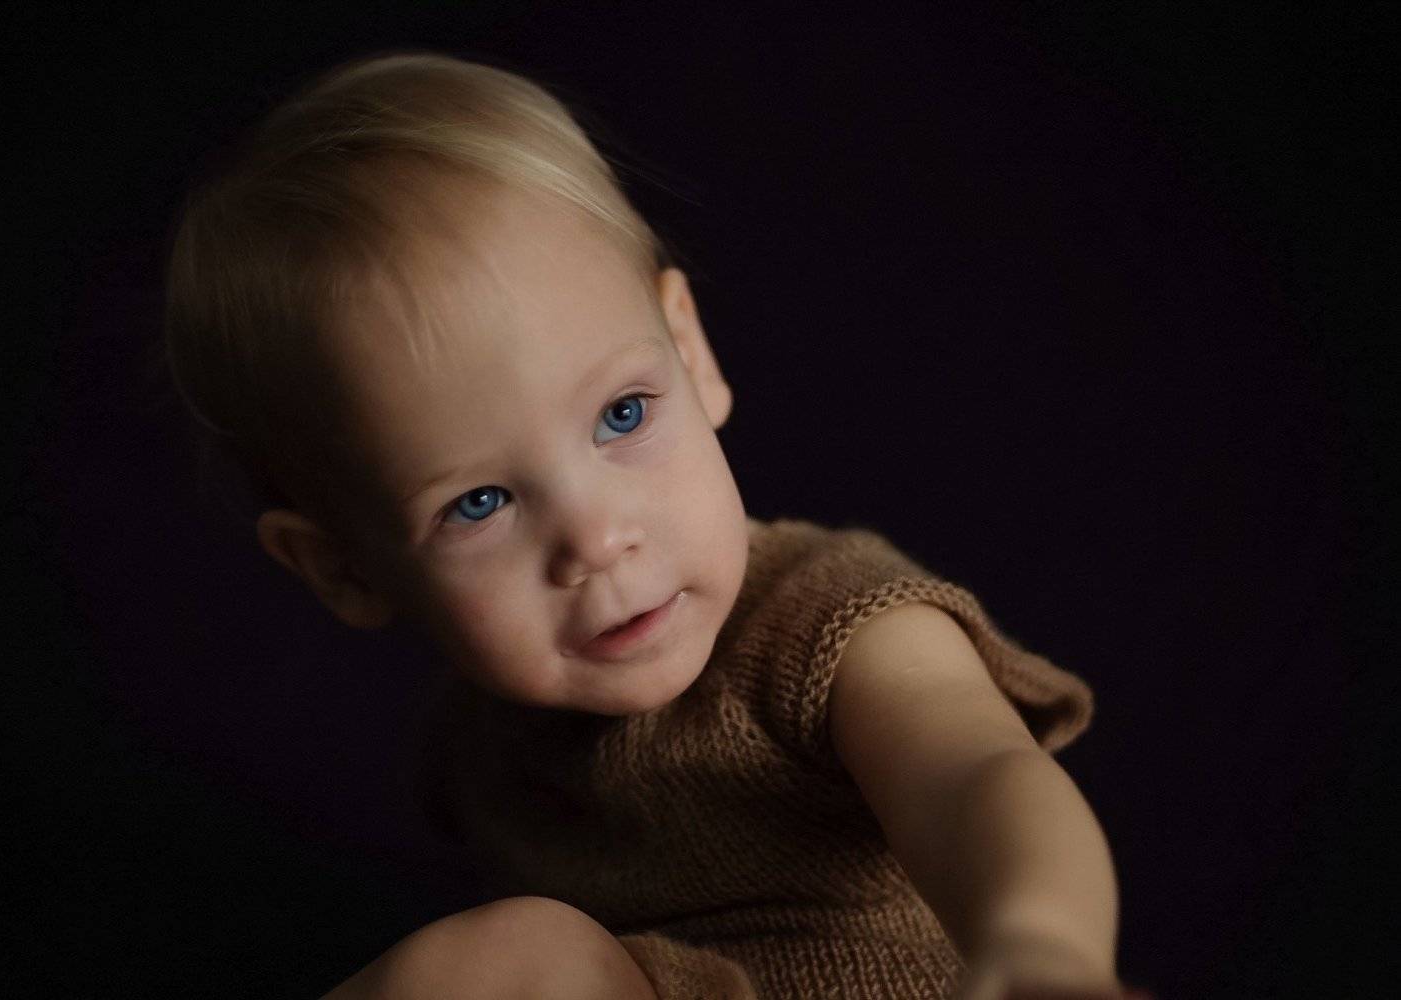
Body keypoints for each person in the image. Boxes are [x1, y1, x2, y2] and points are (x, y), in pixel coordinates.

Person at [162, 51, 1143, 1000]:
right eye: (480, 503)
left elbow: (974, 776)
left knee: (506, 958)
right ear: (342, 567)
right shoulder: (483, 751)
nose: (595, 541)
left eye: (622, 415)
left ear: (690, 350)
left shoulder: (830, 626)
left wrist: (1038, 939)